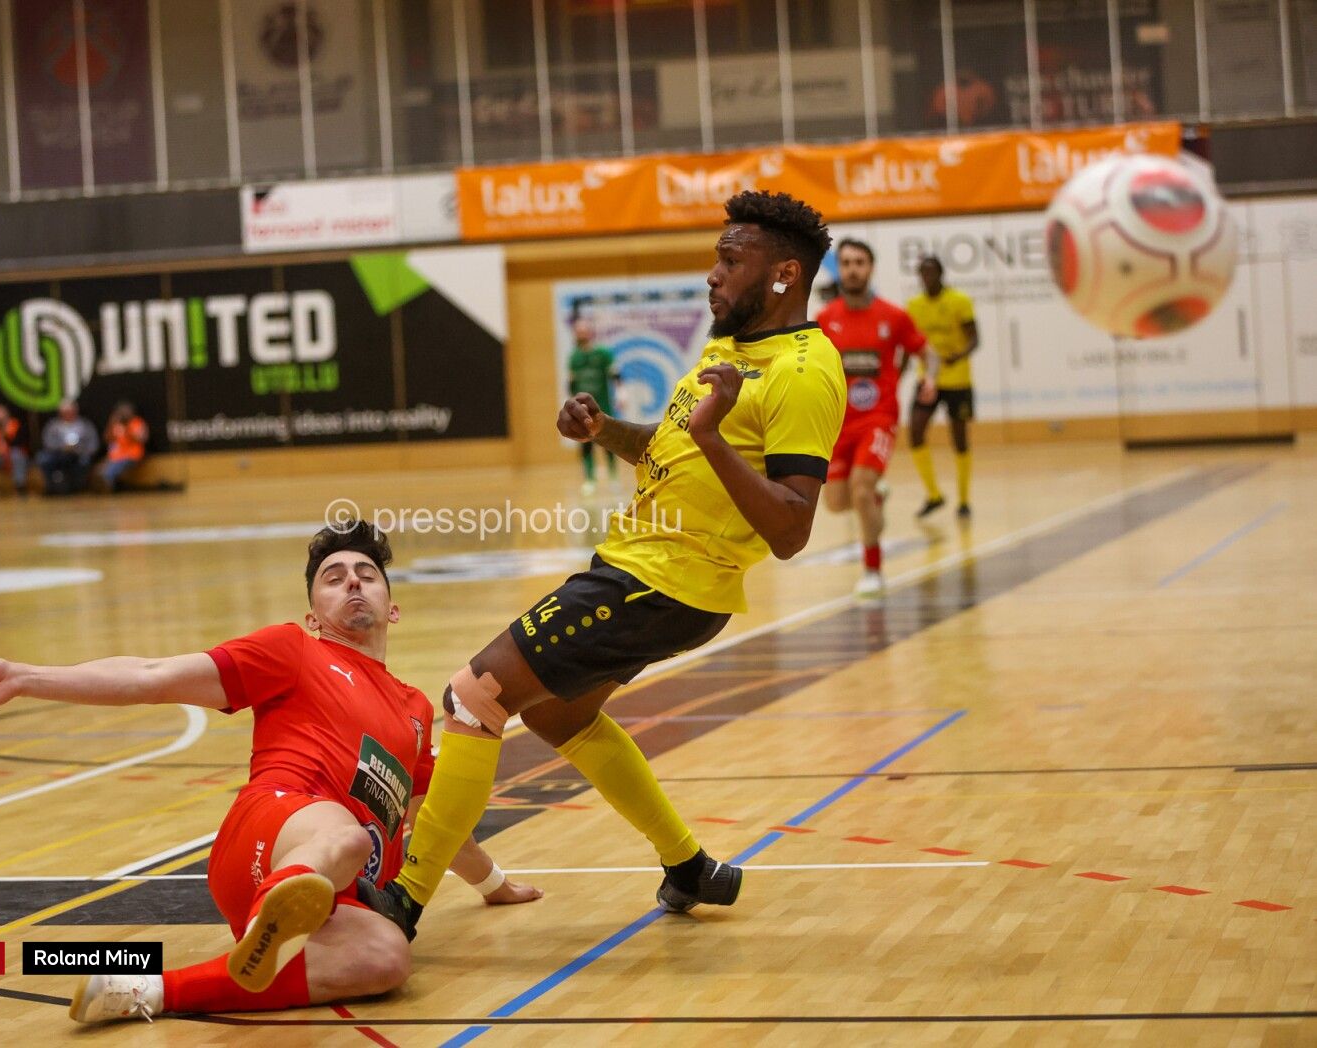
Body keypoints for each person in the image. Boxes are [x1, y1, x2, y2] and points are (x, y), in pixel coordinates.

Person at [373, 191, 847, 941]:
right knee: (558, 713)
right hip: (642, 569)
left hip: (663, 581)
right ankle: (688, 866)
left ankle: (401, 902)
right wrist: (604, 431)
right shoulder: (729, 349)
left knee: (475, 696)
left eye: (730, 260)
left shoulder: (804, 371)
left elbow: (792, 527)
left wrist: (712, 438)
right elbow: (671, 448)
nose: (712, 274)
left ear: (785, 274)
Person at [0, 522, 541, 1024]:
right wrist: (25, 678)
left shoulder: (412, 709)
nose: (353, 581)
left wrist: (494, 884)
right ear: (313, 615)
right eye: (333, 578)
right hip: (269, 832)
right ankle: (281, 900)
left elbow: (436, 820)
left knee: (387, 958)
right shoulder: (294, 650)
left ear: (393, 607)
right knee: (350, 838)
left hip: (333, 885)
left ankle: (145, 990)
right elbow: (152, 676)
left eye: (366, 574)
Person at [816, 239, 936, 598]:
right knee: (837, 503)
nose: (853, 269)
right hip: (839, 424)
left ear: (870, 268)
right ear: (840, 269)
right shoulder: (825, 320)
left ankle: (872, 570)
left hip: (878, 419)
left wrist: (930, 378)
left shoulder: (893, 316)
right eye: (847, 263)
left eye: (860, 262)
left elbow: (927, 353)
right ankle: (875, 498)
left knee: (861, 488)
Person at [905, 256, 978, 520]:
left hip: (957, 379)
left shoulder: (959, 301)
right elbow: (909, 343)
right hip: (929, 379)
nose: (927, 278)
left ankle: (964, 500)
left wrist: (959, 355)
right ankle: (934, 494)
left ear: (941, 274)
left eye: (931, 272)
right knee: (915, 430)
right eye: (923, 273)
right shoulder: (914, 306)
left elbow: (974, 338)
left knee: (959, 437)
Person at [567, 317, 619, 495]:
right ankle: (589, 479)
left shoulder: (603, 353)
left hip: (602, 406)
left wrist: (621, 393)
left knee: (608, 441)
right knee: (585, 443)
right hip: (582, 410)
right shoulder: (574, 357)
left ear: (590, 333)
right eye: (578, 332)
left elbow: (615, 374)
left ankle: (613, 476)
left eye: (584, 331)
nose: (581, 335)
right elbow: (571, 382)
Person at [37, 398, 99, 495]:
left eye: (70, 411)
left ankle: (78, 487)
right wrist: (62, 448)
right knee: (43, 458)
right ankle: (50, 487)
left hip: (79, 454)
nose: (68, 414)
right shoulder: (53, 426)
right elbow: (47, 443)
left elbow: (93, 445)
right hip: (57, 454)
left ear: (75, 411)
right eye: (65, 412)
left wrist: (78, 449)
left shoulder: (85, 425)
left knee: (84, 461)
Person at [100, 401, 149, 492]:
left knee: (109, 473)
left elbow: (142, 439)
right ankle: (111, 487)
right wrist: (111, 424)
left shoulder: (136, 422)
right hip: (116, 456)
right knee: (100, 471)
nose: (123, 414)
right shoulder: (116, 423)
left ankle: (110, 491)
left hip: (132, 455)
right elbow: (107, 439)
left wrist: (127, 430)